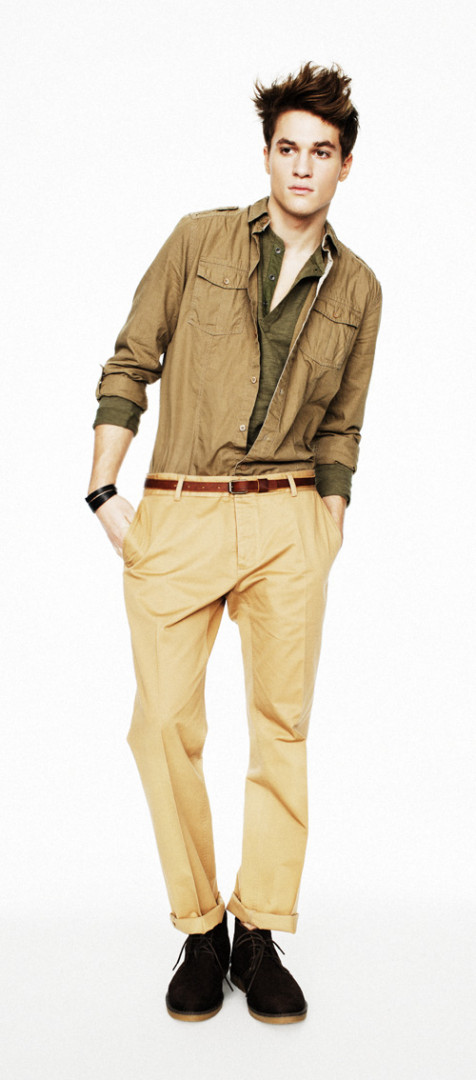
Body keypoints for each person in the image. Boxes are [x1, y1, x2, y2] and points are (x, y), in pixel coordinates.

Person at [86, 62, 382, 1025]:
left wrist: (328, 521)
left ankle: (259, 930)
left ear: (344, 166)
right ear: (267, 155)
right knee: (161, 725)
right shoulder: (198, 240)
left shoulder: (361, 288)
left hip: (289, 523)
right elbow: (132, 358)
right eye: (288, 148)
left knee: (280, 729)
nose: (303, 166)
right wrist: (104, 489)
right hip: (180, 510)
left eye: (321, 152)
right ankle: (200, 926)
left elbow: (343, 425)